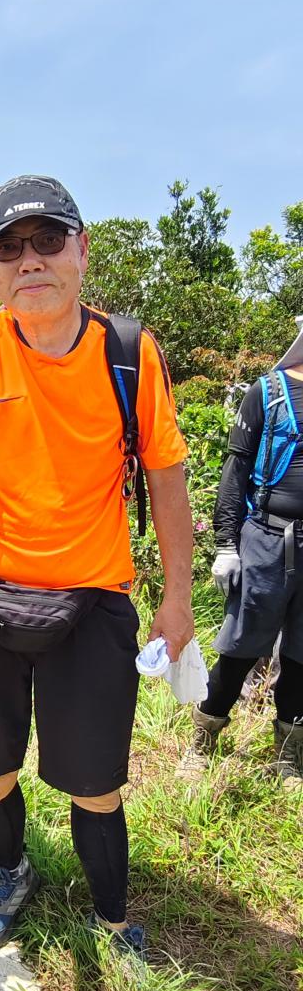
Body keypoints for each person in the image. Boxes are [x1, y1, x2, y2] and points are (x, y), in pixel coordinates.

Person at [0, 175, 193, 960]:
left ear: (82, 250)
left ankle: (111, 921)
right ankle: (10, 870)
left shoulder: (127, 352)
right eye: (9, 247)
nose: (30, 260)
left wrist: (178, 598)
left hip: (93, 594)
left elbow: (166, 476)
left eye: (48, 240)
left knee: (96, 783)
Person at [184, 319, 303, 788]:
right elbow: (235, 473)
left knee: (301, 658)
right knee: (239, 647)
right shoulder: (268, 393)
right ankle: (203, 740)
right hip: (267, 539)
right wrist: (225, 545)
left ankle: (288, 756)